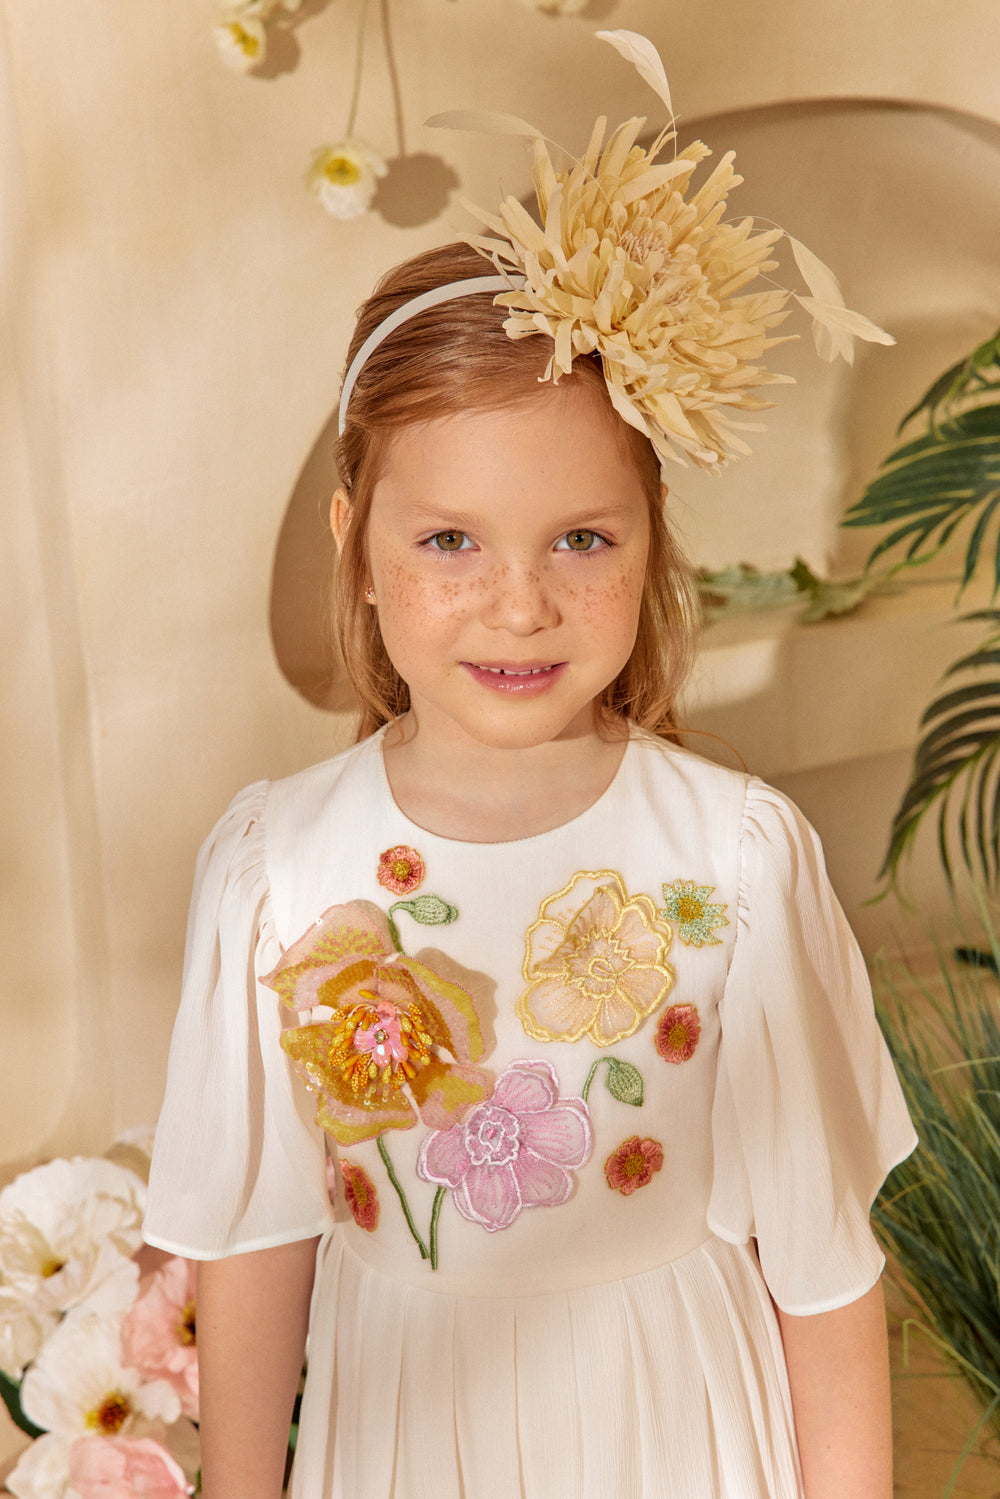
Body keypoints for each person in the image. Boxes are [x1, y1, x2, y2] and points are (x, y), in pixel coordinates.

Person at [143, 32, 915, 1499]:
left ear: (650, 546)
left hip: (676, 1425)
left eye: (581, 538)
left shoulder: (734, 860)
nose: (520, 603)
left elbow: (823, 1273)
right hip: (401, 1434)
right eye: (449, 540)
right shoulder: (275, 866)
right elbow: (255, 1242)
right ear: (355, 552)